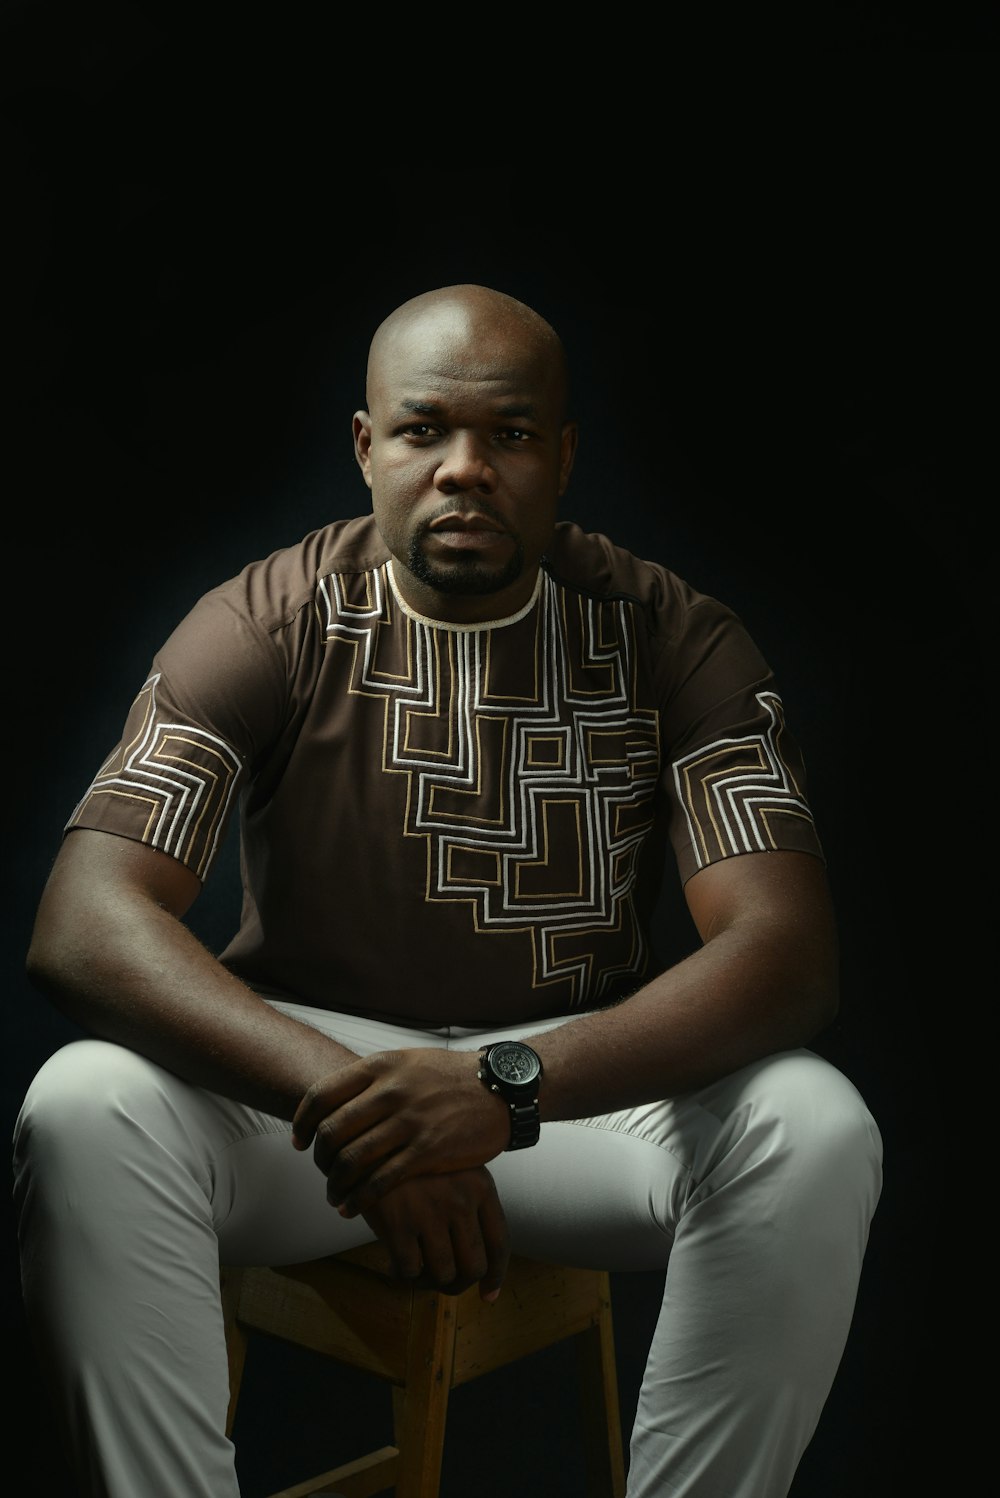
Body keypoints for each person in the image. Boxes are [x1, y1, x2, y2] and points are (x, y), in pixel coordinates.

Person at [12, 283, 883, 1498]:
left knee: (816, 1122)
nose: (464, 468)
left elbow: (788, 957)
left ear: (563, 456)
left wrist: (495, 1089)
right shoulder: (264, 622)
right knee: (81, 1101)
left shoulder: (671, 637)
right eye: (424, 430)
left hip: (570, 1096)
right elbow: (84, 922)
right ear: (367, 446)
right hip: (318, 1097)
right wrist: (365, 1113)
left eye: (511, 435)